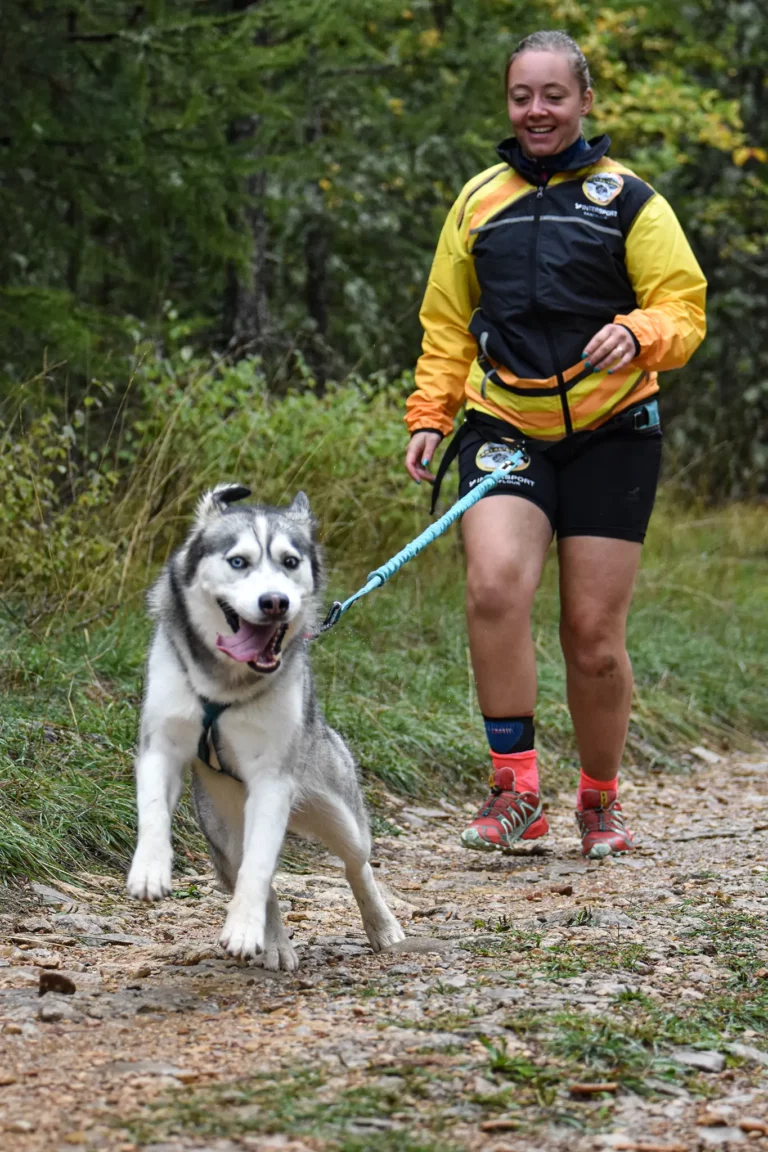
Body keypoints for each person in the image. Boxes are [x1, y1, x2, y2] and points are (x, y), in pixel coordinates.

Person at [404, 30, 706, 859]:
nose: (536, 111)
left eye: (553, 96)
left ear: (584, 101)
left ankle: (599, 801)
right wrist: (430, 415)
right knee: (495, 587)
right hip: (506, 428)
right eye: (521, 96)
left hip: (614, 435)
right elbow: (444, 322)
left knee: (592, 638)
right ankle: (516, 794)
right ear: (507, 103)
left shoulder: (629, 200)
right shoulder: (477, 201)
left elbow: (684, 308)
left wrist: (640, 332)